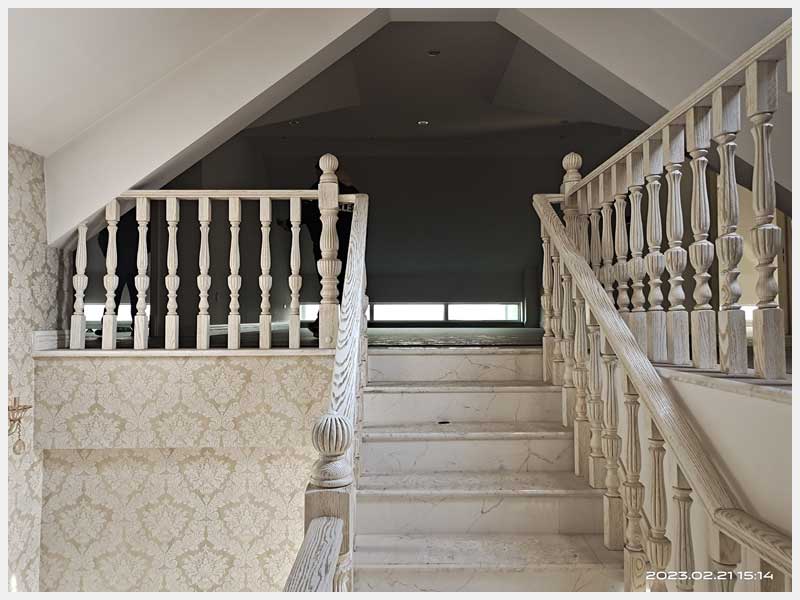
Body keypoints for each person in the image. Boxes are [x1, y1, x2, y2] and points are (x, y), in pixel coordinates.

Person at [98, 208, 150, 324]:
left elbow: (102, 237)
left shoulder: (117, 216)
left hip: (122, 264)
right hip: (133, 264)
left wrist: (110, 257)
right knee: (135, 297)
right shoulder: (139, 216)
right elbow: (149, 240)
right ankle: (137, 326)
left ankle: (107, 326)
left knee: (114, 296)